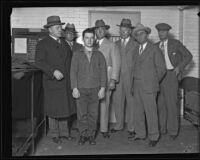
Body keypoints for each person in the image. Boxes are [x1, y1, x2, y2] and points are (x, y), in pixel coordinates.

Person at [35, 16, 75, 144]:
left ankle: (64, 133)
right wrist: (52, 71)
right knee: (53, 109)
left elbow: (70, 61)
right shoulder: (43, 43)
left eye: (60, 27)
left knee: (64, 108)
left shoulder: (64, 42)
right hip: (52, 82)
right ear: (50, 29)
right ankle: (54, 134)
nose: (60, 29)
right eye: (57, 28)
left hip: (65, 82)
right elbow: (38, 62)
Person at [129, 23, 166, 147]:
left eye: (142, 33)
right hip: (137, 85)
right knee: (138, 112)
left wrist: (153, 81)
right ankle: (140, 134)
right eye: (137, 34)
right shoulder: (135, 50)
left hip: (149, 86)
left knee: (151, 112)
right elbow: (133, 68)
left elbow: (161, 69)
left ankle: (154, 136)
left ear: (147, 34)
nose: (140, 36)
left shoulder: (154, 49)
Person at [155, 23, 193, 140]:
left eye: (164, 31)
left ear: (168, 32)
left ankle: (173, 131)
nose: (161, 33)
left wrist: (179, 68)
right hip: (158, 78)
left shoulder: (175, 44)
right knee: (160, 105)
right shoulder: (155, 46)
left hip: (171, 76)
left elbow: (188, 56)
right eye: (159, 31)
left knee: (171, 104)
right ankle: (162, 129)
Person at [70, 28, 107, 145]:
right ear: (83, 39)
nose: (89, 40)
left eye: (91, 38)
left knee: (93, 114)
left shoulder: (99, 55)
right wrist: (74, 88)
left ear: (94, 39)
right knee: (81, 114)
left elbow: (103, 72)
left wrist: (102, 88)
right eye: (87, 38)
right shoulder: (77, 54)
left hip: (95, 89)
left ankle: (91, 135)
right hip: (81, 89)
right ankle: (83, 135)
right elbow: (73, 72)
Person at [93, 20, 121, 138]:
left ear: (105, 31)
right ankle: (92, 129)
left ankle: (104, 129)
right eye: (98, 29)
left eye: (102, 29)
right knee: (92, 106)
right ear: (95, 31)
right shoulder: (90, 43)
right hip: (91, 81)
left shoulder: (111, 45)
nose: (100, 31)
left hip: (106, 80)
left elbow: (116, 63)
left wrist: (113, 80)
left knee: (104, 104)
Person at [111, 19, 138, 136]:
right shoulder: (115, 44)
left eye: (126, 30)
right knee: (118, 102)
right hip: (117, 79)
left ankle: (132, 128)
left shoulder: (136, 44)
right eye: (121, 30)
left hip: (131, 78)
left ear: (130, 31)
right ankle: (118, 125)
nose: (123, 32)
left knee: (132, 102)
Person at [63, 23, 83, 132]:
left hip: (78, 79)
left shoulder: (79, 47)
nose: (70, 35)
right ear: (64, 34)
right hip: (64, 79)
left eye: (72, 33)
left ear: (74, 35)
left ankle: (79, 126)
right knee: (66, 103)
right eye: (67, 33)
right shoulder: (60, 45)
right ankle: (66, 128)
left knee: (78, 103)